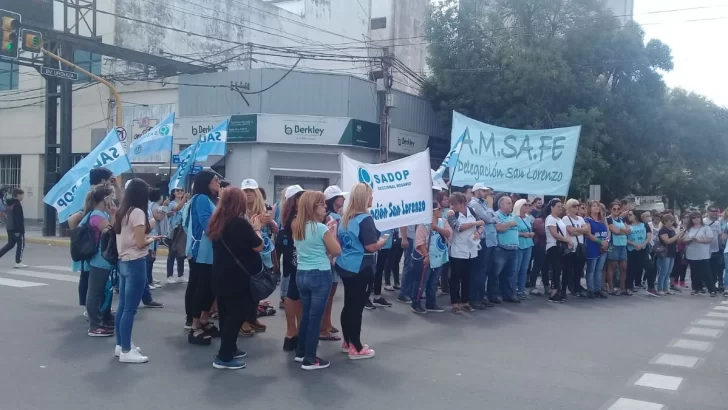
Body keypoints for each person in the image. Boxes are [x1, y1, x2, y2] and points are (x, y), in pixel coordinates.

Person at [208, 187, 264, 370]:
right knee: (237, 314)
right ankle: (224, 356)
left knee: (225, 313)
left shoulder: (217, 221)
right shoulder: (240, 224)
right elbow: (258, 247)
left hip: (220, 274)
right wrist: (257, 229)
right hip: (237, 278)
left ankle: (230, 347)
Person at [292, 191, 341, 369]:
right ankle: (310, 358)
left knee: (306, 314)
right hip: (320, 273)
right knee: (315, 317)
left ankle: (301, 352)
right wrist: (327, 253)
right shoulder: (321, 228)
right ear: (314, 207)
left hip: (302, 273)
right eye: (322, 204)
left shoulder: (297, 226)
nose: (325, 206)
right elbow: (337, 250)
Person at [335, 183, 385, 360]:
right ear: (365, 198)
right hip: (361, 267)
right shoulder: (365, 219)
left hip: (345, 265)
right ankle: (356, 347)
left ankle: (348, 341)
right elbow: (370, 246)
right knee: (356, 308)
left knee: (349, 305)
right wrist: (382, 242)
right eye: (370, 196)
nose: (372, 199)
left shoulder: (344, 218)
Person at [113, 178, 158, 363]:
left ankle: (121, 345)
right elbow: (140, 242)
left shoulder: (123, 211)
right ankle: (126, 351)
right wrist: (152, 239)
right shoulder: (138, 212)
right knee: (130, 309)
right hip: (136, 262)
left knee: (123, 307)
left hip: (123, 261)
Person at [185, 170, 222, 345]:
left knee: (211, 288)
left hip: (211, 253)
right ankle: (194, 326)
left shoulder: (210, 200)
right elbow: (207, 226)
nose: (219, 182)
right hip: (201, 252)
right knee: (201, 288)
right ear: (206, 182)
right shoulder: (200, 199)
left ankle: (204, 320)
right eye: (216, 180)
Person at [240, 179, 278, 335]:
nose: (248, 194)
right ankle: (242, 321)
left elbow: (274, 230)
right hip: (247, 251)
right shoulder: (239, 210)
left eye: (251, 191)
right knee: (246, 288)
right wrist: (256, 226)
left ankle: (251, 317)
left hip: (263, 252)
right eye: (245, 191)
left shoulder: (263, 209)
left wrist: (271, 223)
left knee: (258, 287)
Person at [82, 185, 116, 337]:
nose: (114, 198)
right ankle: (94, 325)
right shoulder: (98, 216)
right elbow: (113, 233)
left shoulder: (96, 214)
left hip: (98, 259)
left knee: (98, 292)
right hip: (100, 259)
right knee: (95, 293)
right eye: (111, 195)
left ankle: (99, 322)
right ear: (105, 199)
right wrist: (114, 214)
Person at [412, 200, 452, 313]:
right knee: (421, 281)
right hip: (426, 257)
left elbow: (449, 233)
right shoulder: (423, 225)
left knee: (433, 281)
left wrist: (437, 228)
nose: (441, 210)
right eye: (439, 209)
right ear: (432, 211)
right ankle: (416, 302)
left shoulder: (443, 221)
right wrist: (426, 255)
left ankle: (431, 303)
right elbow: (420, 242)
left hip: (438, 257)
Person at [446, 192, 482, 313]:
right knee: (455, 278)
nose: (453, 206)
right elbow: (458, 227)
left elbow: (481, 224)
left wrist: (478, 232)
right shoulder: (451, 214)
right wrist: (474, 224)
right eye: (451, 204)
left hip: (471, 249)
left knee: (467, 277)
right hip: (457, 249)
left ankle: (465, 301)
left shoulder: (471, 211)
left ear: (463, 203)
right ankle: (454, 302)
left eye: (455, 204)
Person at [279, 185, 305, 351]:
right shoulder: (297, 218)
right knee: (296, 295)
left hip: (292, 257)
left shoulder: (289, 215)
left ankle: (292, 332)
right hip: (297, 258)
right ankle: (294, 331)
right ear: (295, 200)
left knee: (293, 293)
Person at [320, 185, 347, 340]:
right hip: (333, 259)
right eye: (340, 196)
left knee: (329, 295)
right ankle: (324, 326)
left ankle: (327, 323)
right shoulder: (333, 218)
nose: (343, 199)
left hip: (332, 259)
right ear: (333, 200)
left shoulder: (333, 216)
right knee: (328, 294)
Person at [469, 183, 497, 308]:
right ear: (477, 191)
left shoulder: (484, 204)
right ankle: (474, 299)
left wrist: (491, 215)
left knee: (485, 270)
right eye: (483, 191)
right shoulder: (474, 204)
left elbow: (495, 218)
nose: (486, 193)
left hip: (489, 239)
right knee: (478, 271)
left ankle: (481, 296)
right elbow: (489, 218)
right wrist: (491, 215)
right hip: (480, 239)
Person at [491, 196, 521, 303]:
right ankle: (494, 295)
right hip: (501, 249)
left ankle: (509, 294)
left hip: (513, 248)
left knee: (511, 274)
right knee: (496, 273)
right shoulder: (496, 214)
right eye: (508, 203)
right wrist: (509, 223)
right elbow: (499, 228)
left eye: (511, 203)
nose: (511, 205)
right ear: (501, 205)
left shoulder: (512, 216)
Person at [683, 211, 716, 296]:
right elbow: (684, 240)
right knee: (694, 272)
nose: (696, 219)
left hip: (703, 254)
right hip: (692, 253)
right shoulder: (689, 228)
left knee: (706, 272)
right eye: (694, 218)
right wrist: (689, 240)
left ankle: (712, 290)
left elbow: (710, 239)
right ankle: (695, 288)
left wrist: (700, 240)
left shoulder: (705, 227)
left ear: (701, 218)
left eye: (698, 217)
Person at [544, 199, 571, 303]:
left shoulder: (559, 219)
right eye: (558, 206)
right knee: (556, 270)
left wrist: (567, 241)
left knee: (559, 270)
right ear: (552, 207)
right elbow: (554, 234)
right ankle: (553, 293)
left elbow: (564, 232)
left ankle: (558, 291)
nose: (560, 208)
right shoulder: (550, 219)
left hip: (561, 247)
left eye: (561, 207)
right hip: (553, 246)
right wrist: (567, 240)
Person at [562, 199, 589, 297]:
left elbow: (587, 230)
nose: (576, 208)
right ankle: (566, 288)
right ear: (569, 207)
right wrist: (581, 230)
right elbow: (570, 231)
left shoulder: (581, 219)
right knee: (568, 270)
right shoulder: (566, 218)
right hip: (571, 248)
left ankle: (577, 288)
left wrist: (577, 230)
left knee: (578, 270)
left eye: (577, 206)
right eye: (574, 206)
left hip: (580, 247)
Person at [584, 200, 608, 298]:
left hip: (603, 247)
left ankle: (598, 289)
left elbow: (607, 232)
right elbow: (588, 234)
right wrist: (600, 242)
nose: (596, 208)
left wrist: (606, 242)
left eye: (597, 206)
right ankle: (591, 290)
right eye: (594, 206)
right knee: (591, 270)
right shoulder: (587, 220)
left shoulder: (602, 220)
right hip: (592, 246)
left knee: (599, 269)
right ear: (590, 208)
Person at [606, 201, 630, 295]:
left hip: (622, 244)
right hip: (613, 244)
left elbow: (629, 230)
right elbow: (615, 231)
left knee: (623, 267)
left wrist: (621, 230)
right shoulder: (609, 219)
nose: (616, 210)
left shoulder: (622, 219)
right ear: (610, 209)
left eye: (618, 209)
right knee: (612, 266)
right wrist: (624, 231)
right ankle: (611, 288)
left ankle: (622, 288)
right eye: (614, 209)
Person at [625, 210, 651, 296]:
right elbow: (624, 238)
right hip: (632, 249)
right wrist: (634, 244)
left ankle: (651, 287)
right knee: (631, 269)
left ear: (635, 215)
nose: (628, 216)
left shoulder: (644, 224)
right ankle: (629, 286)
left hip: (643, 249)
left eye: (630, 214)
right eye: (628, 215)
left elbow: (648, 236)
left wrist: (643, 244)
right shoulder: (627, 226)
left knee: (648, 267)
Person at [513, 199, 535, 300]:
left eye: (528, 205)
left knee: (524, 269)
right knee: (516, 268)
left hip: (528, 245)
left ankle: (521, 290)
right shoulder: (514, 218)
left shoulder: (528, 218)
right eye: (525, 205)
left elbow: (530, 229)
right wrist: (523, 234)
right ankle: (513, 290)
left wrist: (531, 234)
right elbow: (513, 232)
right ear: (519, 206)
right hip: (519, 245)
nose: (527, 207)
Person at [166, 188, 188, 284]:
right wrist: (184, 199)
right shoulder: (172, 203)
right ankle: (169, 275)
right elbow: (177, 208)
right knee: (172, 253)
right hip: (174, 230)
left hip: (183, 230)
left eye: (181, 190)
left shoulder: (185, 204)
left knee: (181, 254)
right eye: (177, 190)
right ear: (174, 193)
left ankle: (180, 274)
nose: (180, 192)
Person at [0, 188, 27, 268]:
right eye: (22, 195)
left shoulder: (9, 203)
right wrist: (20, 230)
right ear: (18, 195)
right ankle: (18, 262)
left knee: (10, 244)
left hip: (10, 227)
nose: (23, 197)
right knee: (21, 244)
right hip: (17, 229)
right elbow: (18, 218)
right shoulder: (17, 204)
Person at [657, 214, 680, 296]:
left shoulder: (671, 229)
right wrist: (678, 235)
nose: (673, 222)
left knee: (668, 272)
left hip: (672, 252)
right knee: (663, 271)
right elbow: (667, 241)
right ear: (665, 221)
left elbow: (675, 240)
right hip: (665, 253)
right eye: (671, 221)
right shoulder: (663, 230)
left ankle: (666, 288)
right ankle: (660, 288)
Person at [704, 207, 722, 292]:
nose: (714, 213)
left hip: (715, 249)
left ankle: (713, 285)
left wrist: (720, 246)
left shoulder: (717, 223)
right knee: (706, 268)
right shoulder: (704, 221)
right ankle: (705, 284)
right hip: (705, 249)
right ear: (708, 212)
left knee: (714, 268)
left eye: (716, 211)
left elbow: (719, 235)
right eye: (712, 211)